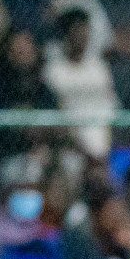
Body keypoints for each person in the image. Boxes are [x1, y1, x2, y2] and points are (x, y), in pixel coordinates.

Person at [44, 8, 118, 159]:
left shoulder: (99, 67)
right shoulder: (53, 70)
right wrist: (84, 152)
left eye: (85, 30)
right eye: (77, 30)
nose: (82, 36)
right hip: (70, 149)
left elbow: (111, 109)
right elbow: (58, 115)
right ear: (66, 33)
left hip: (104, 147)